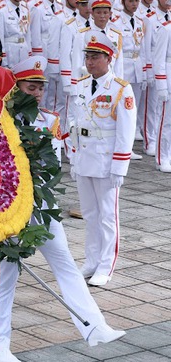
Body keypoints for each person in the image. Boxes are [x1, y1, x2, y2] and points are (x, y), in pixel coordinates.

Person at [0, 56, 127, 362]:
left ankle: (94, 327)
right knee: (7, 275)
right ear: (15, 87)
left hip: (44, 207)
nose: (36, 92)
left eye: (39, 87)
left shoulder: (50, 121)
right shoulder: (0, 121)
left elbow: (58, 162)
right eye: (29, 86)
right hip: (12, 210)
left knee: (66, 266)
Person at [67, 32, 136, 286]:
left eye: (95, 57)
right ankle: (92, 260)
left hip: (107, 160)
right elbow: (74, 122)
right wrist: (73, 157)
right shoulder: (82, 84)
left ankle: (106, 265)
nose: (90, 61)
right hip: (85, 156)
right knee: (89, 213)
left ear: (109, 58)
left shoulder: (120, 88)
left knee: (108, 216)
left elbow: (126, 131)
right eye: (88, 56)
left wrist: (120, 166)